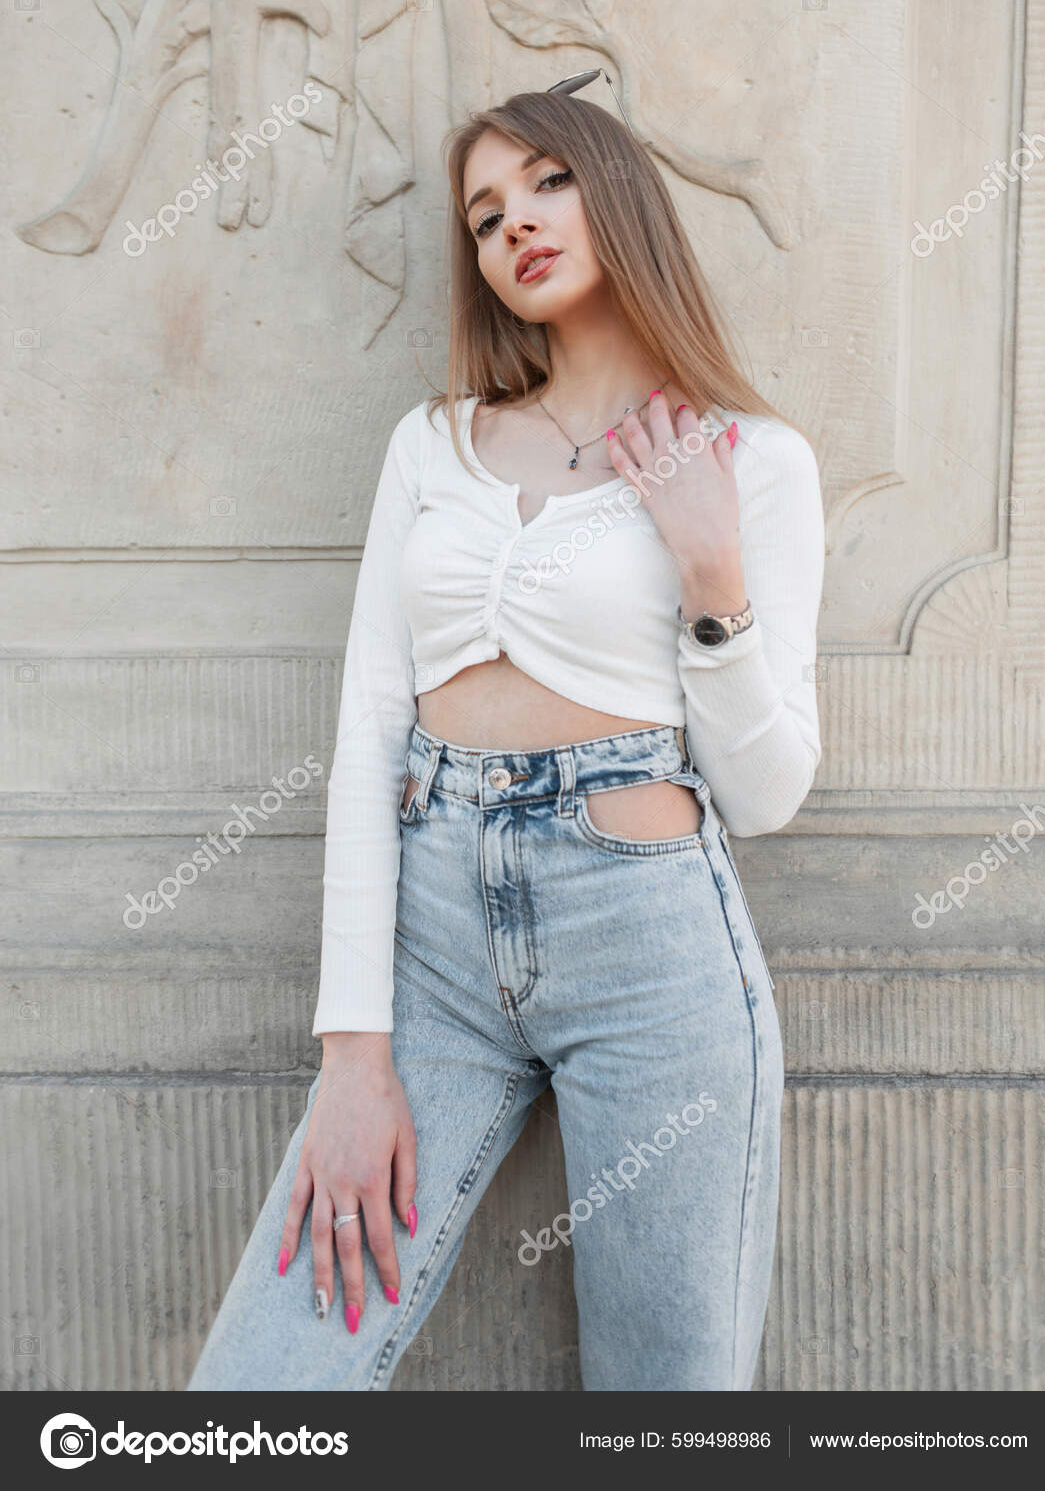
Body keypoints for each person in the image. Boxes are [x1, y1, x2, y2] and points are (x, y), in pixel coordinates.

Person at [187, 77, 826, 1392]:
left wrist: (715, 579)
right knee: (259, 1392)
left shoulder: (755, 460)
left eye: (547, 182)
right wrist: (352, 1058)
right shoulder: (433, 447)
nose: (515, 224)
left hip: (650, 948)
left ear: (617, 195)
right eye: (485, 216)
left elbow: (765, 796)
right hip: (431, 943)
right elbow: (369, 733)